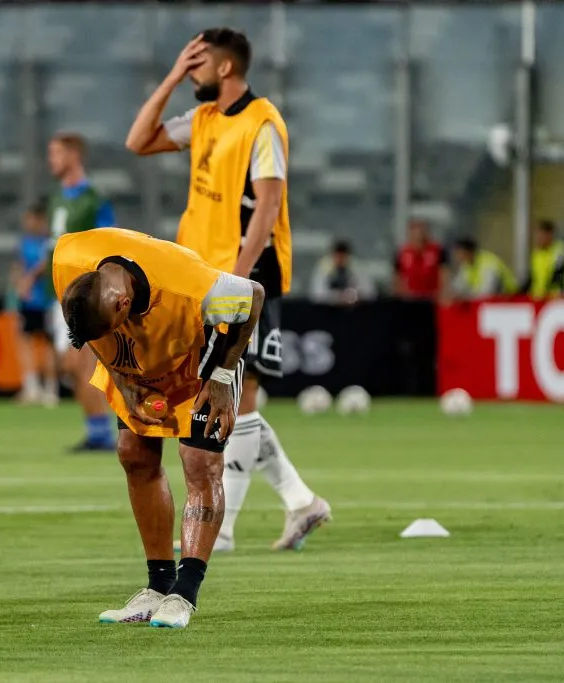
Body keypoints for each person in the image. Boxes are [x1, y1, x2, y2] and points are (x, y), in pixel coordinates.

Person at [125, 28, 330, 552]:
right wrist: (171, 77)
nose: (190, 73)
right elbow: (138, 140)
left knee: (241, 395)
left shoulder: (263, 124)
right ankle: (298, 503)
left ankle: (230, 528)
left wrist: (238, 280)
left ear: (224, 68)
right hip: (202, 275)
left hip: (245, 276)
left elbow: (267, 205)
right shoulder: (204, 119)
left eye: (196, 65)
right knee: (232, 398)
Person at [53, 227, 264, 629]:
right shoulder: (69, 260)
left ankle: (184, 594)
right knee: (134, 454)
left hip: (204, 351)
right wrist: (122, 380)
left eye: (110, 326)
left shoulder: (195, 288)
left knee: (200, 462)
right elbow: (92, 332)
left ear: (123, 306)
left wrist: (222, 378)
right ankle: (158, 586)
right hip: (142, 360)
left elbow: (254, 297)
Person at [47, 132, 116, 451]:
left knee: (81, 365)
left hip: (81, 298)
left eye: (57, 153)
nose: (52, 160)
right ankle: (97, 429)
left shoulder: (93, 200)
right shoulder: (58, 198)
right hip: (58, 294)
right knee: (69, 367)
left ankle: (101, 432)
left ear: (74, 155)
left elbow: (110, 244)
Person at [13, 198, 57, 406]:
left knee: (48, 345)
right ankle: (31, 387)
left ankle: (51, 388)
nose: (28, 223)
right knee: (26, 342)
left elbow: (44, 265)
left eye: (31, 219)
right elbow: (19, 266)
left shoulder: (48, 242)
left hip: (45, 299)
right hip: (28, 301)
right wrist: (19, 286)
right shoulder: (25, 242)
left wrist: (29, 280)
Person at [519, 219, 564, 299]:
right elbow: (531, 278)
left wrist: (545, 291)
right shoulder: (537, 254)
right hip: (540, 300)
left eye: (541, 236)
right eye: (537, 236)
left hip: (558, 299)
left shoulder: (559, 250)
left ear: (549, 235)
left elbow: (558, 273)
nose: (538, 239)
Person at [309, 240, 376, 305]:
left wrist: (353, 296)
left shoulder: (357, 268)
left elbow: (369, 293)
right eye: (337, 256)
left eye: (343, 257)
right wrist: (336, 297)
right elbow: (316, 294)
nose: (340, 260)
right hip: (327, 310)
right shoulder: (324, 268)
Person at [394, 219, 447, 300]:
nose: (419, 235)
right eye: (416, 231)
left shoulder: (437, 250)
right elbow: (397, 276)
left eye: (422, 231)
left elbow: (444, 273)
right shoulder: (402, 252)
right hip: (410, 298)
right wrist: (400, 296)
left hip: (432, 297)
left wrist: (443, 293)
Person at [451, 238, 516, 300]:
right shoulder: (466, 266)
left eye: (459, 254)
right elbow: (459, 287)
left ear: (468, 252)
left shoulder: (488, 263)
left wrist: (465, 296)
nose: (457, 258)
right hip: (492, 302)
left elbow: (487, 292)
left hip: (511, 299)